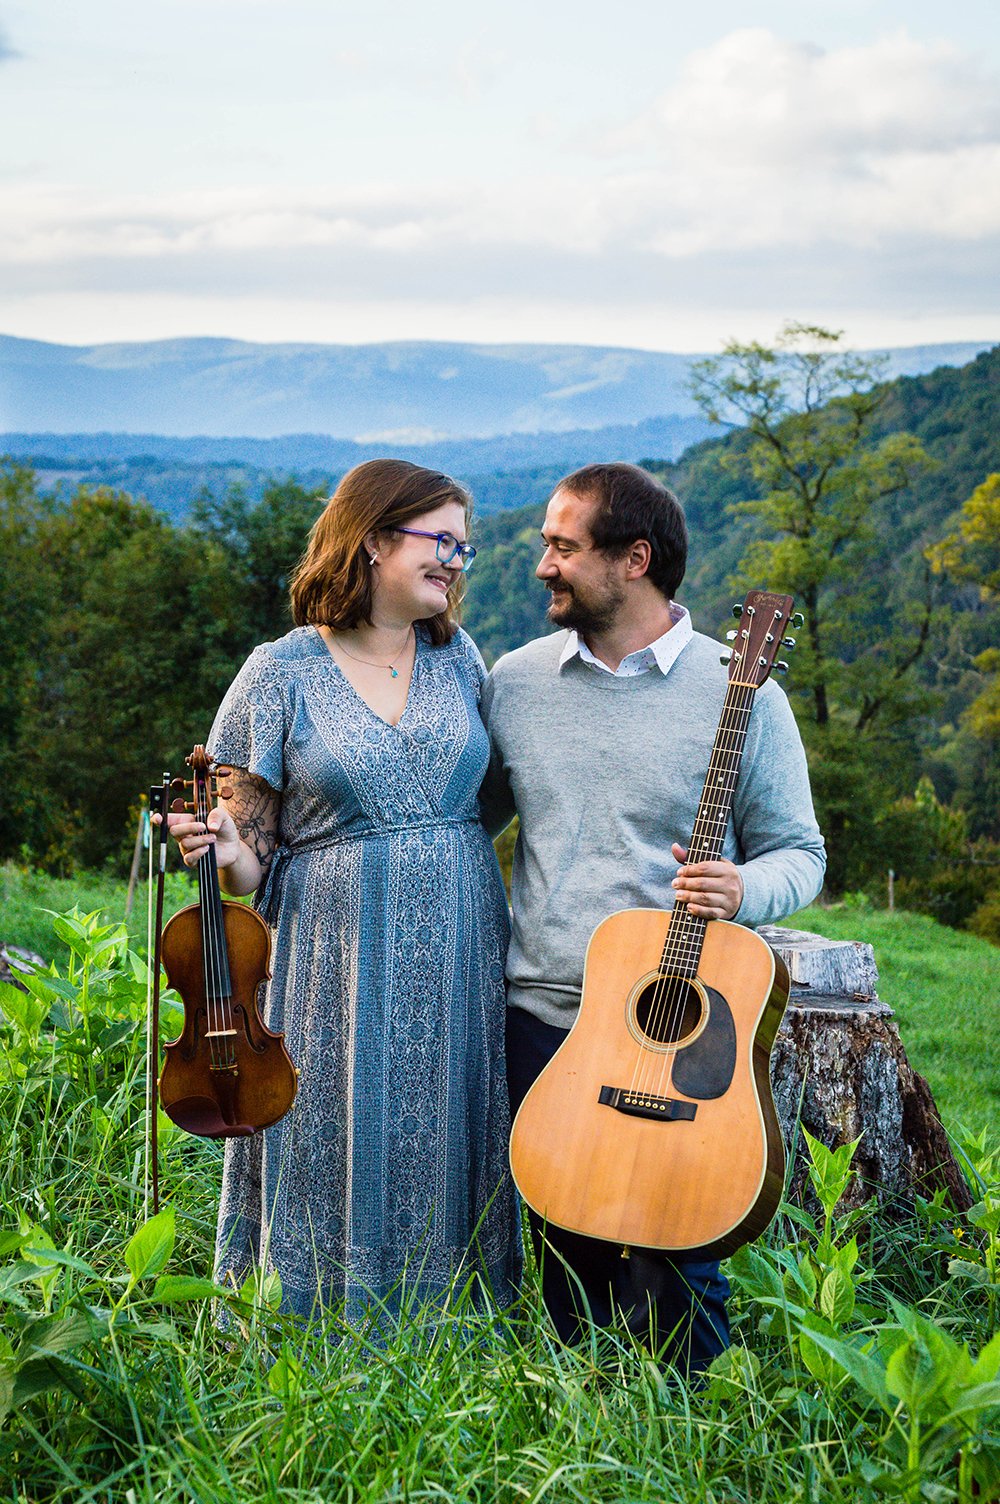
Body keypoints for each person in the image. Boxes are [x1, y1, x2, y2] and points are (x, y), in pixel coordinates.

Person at [479, 462, 826, 1376]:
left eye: (562, 546)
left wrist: (741, 891)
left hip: (684, 1035)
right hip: (546, 1019)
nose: (542, 565)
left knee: (680, 1266)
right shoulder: (515, 683)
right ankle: (574, 1435)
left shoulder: (741, 690)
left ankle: (691, 1441)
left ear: (634, 559)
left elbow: (802, 853)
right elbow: (459, 827)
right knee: (566, 1260)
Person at [164, 458, 521, 1324]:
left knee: (452, 1122)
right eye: (441, 542)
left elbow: (495, 796)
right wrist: (214, 851)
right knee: (331, 1121)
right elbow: (248, 857)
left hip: (461, 944)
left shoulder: (459, 658)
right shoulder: (279, 672)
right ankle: (315, 1321)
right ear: (371, 540)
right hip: (334, 949)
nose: (456, 563)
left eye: (463, 550)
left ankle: (461, 1327)